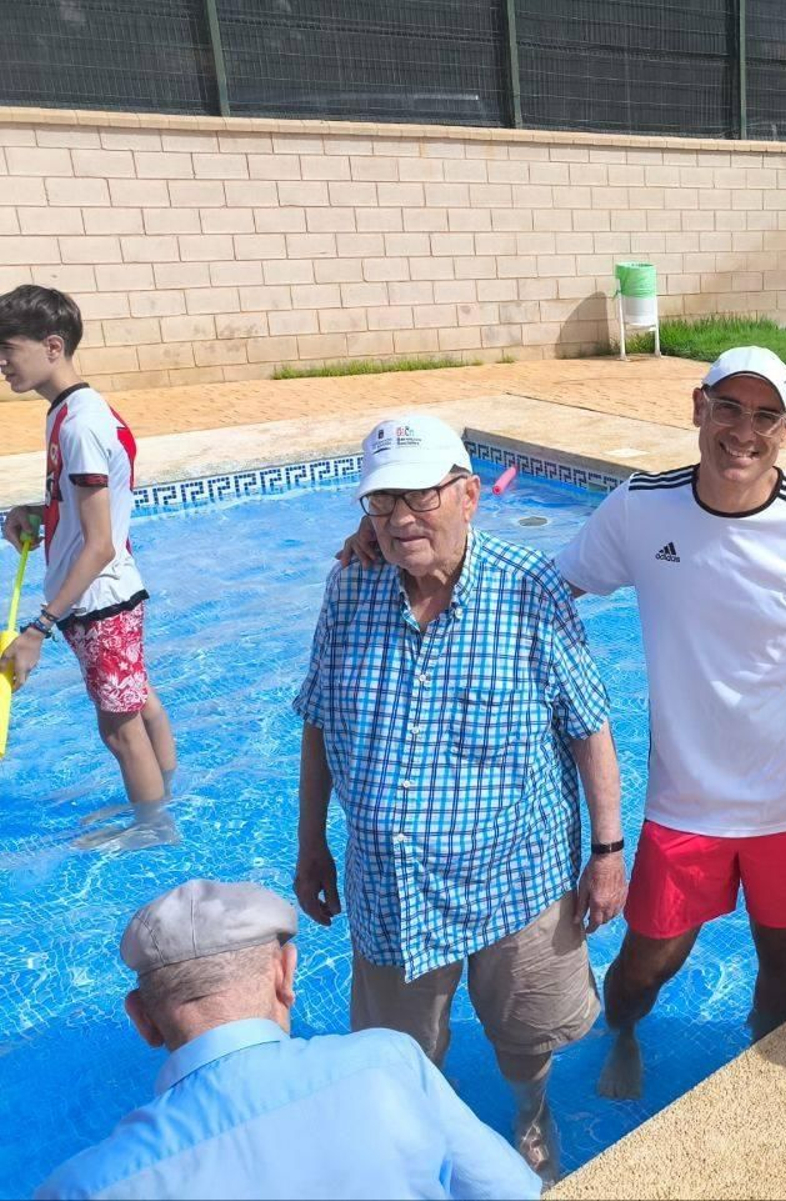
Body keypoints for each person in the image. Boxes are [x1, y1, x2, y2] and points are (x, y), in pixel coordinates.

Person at [294, 414, 625, 1185]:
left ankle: (529, 1112)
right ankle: (425, 1148)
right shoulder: (350, 586)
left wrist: (608, 855)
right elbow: (318, 718)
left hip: (518, 884)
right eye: (382, 503)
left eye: (422, 496)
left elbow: (590, 727)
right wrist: (310, 839)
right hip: (392, 892)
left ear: (471, 494)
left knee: (526, 1036)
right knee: (398, 1054)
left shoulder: (530, 588)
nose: (402, 518)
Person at [554, 346, 786, 1099]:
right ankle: (623, 1030)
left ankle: (755, 1086)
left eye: (766, 415)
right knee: (648, 962)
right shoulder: (643, 508)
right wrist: (421, 551)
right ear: (697, 407)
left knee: (784, 959)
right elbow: (551, 587)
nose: (744, 429)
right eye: (728, 407)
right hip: (686, 798)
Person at [35, 879, 541, 1200]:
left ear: (142, 1020)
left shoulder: (82, 1187)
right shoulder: (387, 1061)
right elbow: (512, 1191)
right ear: (285, 975)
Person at [0, 285, 178, 850]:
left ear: (53, 346)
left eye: (9, 348)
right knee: (139, 701)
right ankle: (159, 795)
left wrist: (38, 627)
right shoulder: (78, 410)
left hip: (98, 598)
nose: (1, 362)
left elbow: (98, 544)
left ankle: (153, 826)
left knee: (118, 727)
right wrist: (43, 512)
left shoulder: (78, 425)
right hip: (112, 591)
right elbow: (100, 508)